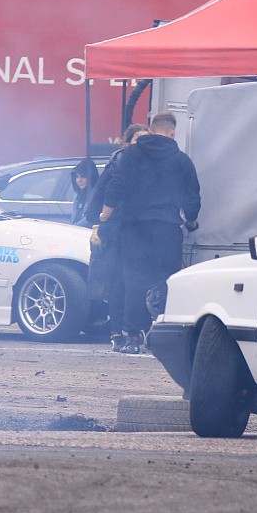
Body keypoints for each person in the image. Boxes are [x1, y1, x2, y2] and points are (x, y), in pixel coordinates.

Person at [100, 112, 200, 355]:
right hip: (167, 230)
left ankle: (133, 337)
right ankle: (164, 336)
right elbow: (192, 197)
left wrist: (105, 216)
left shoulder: (131, 155)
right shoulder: (182, 160)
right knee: (166, 281)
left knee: (134, 281)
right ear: (173, 132)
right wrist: (191, 221)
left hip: (134, 229)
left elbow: (116, 186)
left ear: (152, 130)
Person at [86, 124, 148, 351]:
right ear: (126, 143)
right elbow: (101, 194)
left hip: (136, 232)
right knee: (118, 283)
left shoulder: (147, 164)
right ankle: (118, 334)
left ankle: (130, 332)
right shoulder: (119, 161)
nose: (142, 146)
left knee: (131, 283)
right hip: (117, 233)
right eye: (137, 140)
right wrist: (99, 222)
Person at [69, 157, 100, 226]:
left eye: (83, 176)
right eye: (77, 177)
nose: (79, 180)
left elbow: (91, 219)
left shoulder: (98, 197)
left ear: (91, 177)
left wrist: (75, 228)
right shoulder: (78, 196)